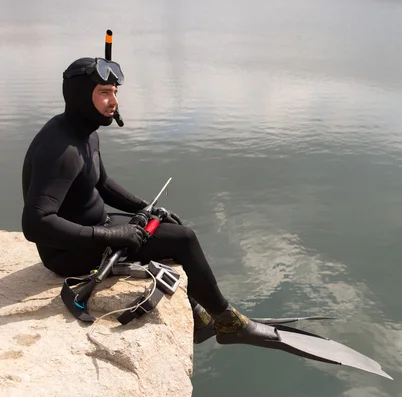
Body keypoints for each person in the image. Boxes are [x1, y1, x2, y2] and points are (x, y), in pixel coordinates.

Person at [20, 56, 253, 343]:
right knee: (184, 239)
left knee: (161, 226)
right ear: (80, 96)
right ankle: (227, 320)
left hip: (96, 227)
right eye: (104, 93)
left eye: (115, 92)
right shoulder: (61, 150)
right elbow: (35, 224)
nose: (114, 101)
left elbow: (102, 184)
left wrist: (145, 208)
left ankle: (196, 312)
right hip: (68, 253)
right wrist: (109, 235)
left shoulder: (85, 135)